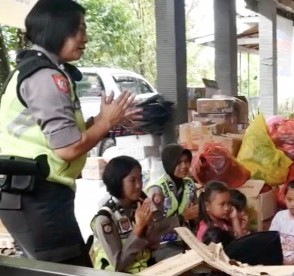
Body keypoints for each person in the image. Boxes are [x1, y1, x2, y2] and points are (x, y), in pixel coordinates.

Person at [0, 0, 138, 266]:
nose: (84, 38)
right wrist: (104, 124)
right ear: (56, 29)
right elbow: (68, 148)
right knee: (72, 271)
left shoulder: (39, 69)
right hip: (36, 196)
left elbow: (55, 136)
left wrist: (99, 120)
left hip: (33, 193)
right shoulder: (46, 77)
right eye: (78, 29)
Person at [92, 156, 169, 273]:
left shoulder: (138, 205)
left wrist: (149, 224)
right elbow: (118, 264)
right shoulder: (105, 219)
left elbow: (154, 245)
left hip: (145, 268)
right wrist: (138, 229)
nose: (139, 185)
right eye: (132, 180)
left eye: (140, 178)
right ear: (117, 182)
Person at [145, 144, 198, 233]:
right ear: (169, 164)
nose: (184, 166)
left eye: (187, 161)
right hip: (164, 242)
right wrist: (182, 217)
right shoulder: (156, 189)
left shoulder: (190, 184)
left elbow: (196, 214)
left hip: (187, 236)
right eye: (178, 162)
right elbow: (154, 226)